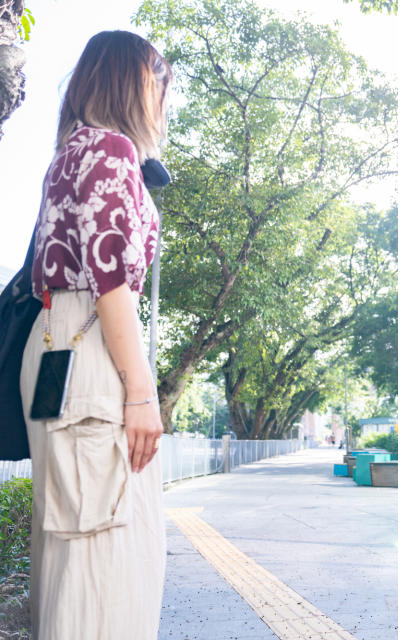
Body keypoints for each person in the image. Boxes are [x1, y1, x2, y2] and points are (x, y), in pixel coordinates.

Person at [19, 31, 171, 640]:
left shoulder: (70, 153)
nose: (164, 97)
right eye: (159, 80)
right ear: (131, 80)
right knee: (109, 559)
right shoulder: (108, 150)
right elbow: (111, 281)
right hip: (90, 342)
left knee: (72, 547)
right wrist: (141, 392)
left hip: (60, 346)